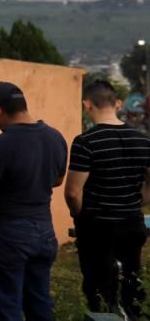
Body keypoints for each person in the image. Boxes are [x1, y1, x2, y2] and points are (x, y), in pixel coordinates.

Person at [0, 81, 67, 321]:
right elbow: (57, 180)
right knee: (40, 302)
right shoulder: (55, 137)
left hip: (6, 234)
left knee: (6, 306)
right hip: (44, 231)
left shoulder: (1, 144)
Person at [64, 80, 150, 317]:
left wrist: (81, 215)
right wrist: (136, 201)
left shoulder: (86, 142)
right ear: (118, 104)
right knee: (132, 283)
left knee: (99, 289)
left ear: (86, 104)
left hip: (98, 226)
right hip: (132, 223)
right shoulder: (144, 140)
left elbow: (72, 192)